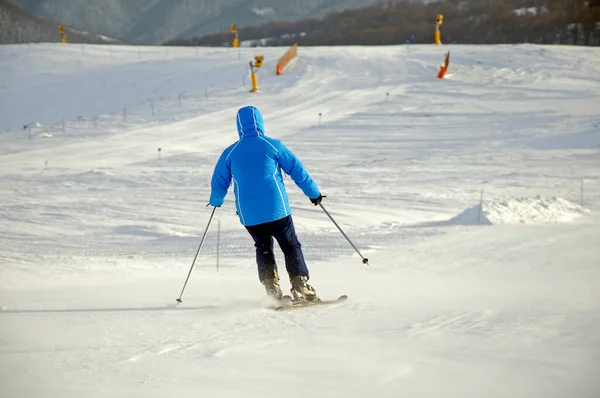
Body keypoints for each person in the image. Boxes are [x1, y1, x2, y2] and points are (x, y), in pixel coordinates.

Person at [209, 105, 324, 302]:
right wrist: (314, 194)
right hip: (276, 209)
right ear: (260, 122)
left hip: (249, 214)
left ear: (239, 126)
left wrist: (216, 201)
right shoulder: (272, 145)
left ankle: (271, 288)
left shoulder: (230, 152)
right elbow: (297, 170)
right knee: (290, 245)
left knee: (262, 246)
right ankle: (300, 285)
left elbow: (219, 181)